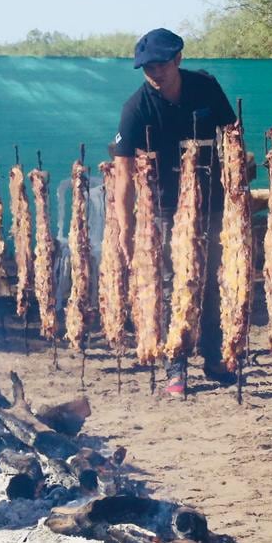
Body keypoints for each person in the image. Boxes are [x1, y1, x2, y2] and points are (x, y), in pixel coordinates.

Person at [112, 27, 238, 395]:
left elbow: (231, 133)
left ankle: (213, 356)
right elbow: (123, 170)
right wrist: (125, 225)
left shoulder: (205, 88)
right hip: (166, 206)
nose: (154, 73)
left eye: (160, 65)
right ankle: (176, 366)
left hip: (211, 198)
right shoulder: (136, 107)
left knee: (211, 279)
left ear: (178, 59)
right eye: (147, 67)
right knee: (174, 281)